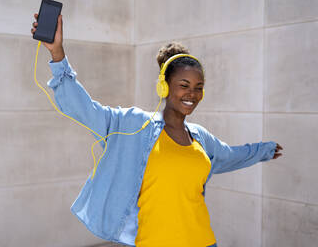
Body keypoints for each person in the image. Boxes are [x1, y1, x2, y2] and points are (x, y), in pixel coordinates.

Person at [31, 14, 283, 247]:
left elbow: (231, 155)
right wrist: (57, 54)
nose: (192, 94)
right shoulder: (133, 125)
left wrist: (265, 150)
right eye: (184, 85)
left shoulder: (200, 137)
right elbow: (83, 108)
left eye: (198, 87)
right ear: (164, 86)